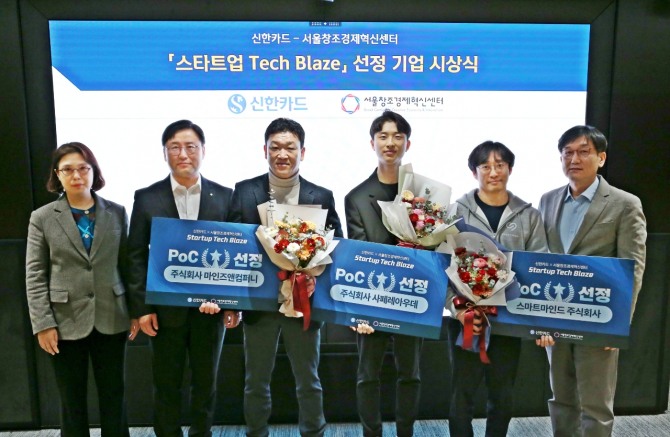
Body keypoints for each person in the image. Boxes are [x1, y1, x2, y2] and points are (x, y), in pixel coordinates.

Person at [127, 120, 241, 437]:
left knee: (206, 384)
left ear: (203, 150)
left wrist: (232, 304)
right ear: (164, 153)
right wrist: (142, 309)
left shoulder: (226, 196)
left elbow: (236, 255)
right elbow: (135, 255)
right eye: (175, 147)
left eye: (191, 146)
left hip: (211, 311)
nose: (183, 154)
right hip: (164, 312)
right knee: (166, 384)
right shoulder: (147, 197)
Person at [229, 117, 342, 437]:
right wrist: (231, 302)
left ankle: (313, 432)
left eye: (290, 147)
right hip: (258, 303)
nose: (282, 154)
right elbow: (233, 246)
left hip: (304, 304)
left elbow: (336, 246)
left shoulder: (322, 195)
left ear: (302, 152)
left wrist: (315, 275)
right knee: (255, 382)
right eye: (275, 147)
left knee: (309, 381)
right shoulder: (244, 191)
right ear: (264, 150)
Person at [537, 125, 646, 436]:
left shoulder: (625, 203)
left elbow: (634, 266)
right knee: (561, 398)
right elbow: (541, 260)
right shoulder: (548, 200)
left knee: (596, 405)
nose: (574, 159)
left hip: (599, 317)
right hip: (556, 315)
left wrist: (619, 323)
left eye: (583, 152)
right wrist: (539, 318)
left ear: (601, 158)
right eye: (567, 152)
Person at [25, 142, 138, 436]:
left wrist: (135, 312)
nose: (76, 175)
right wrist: (43, 324)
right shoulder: (42, 217)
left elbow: (127, 266)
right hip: (64, 320)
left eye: (83, 168)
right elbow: (35, 274)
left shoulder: (116, 212)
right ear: (57, 174)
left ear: (93, 171)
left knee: (114, 396)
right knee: (71, 400)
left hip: (112, 315)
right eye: (68, 169)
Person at [445, 141, 548, 437]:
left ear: (510, 169)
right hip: (465, 318)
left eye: (500, 165)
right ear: (474, 172)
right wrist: (456, 307)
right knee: (462, 394)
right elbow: (442, 266)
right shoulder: (455, 213)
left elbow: (539, 267)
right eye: (485, 166)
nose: (493, 172)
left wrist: (540, 319)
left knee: (502, 395)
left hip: (508, 320)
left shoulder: (529, 215)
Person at [344, 110, 421, 437]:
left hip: (412, 297)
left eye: (398, 136)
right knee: (368, 375)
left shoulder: (422, 195)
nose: (391, 143)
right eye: (383, 136)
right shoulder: (356, 197)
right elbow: (357, 255)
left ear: (407, 144)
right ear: (372, 143)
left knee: (411, 375)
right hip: (371, 298)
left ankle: (406, 432)